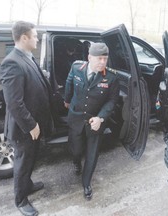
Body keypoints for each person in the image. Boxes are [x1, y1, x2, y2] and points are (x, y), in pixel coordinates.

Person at [0, 21, 52, 216]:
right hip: (25, 128)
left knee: (30, 160)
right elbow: (14, 103)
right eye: (35, 36)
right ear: (24, 38)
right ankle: (21, 200)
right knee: (22, 164)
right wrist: (31, 125)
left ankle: (28, 185)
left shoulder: (27, 57)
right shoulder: (11, 62)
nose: (37, 39)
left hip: (34, 125)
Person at [64, 42, 119, 200]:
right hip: (75, 117)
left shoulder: (111, 77)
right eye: (99, 58)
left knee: (92, 153)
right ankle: (76, 161)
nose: (102, 62)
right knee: (75, 148)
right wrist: (66, 100)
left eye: (105, 59)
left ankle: (86, 183)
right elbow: (69, 84)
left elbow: (112, 101)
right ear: (89, 57)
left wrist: (101, 117)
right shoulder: (76, 68)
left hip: (95, 121)